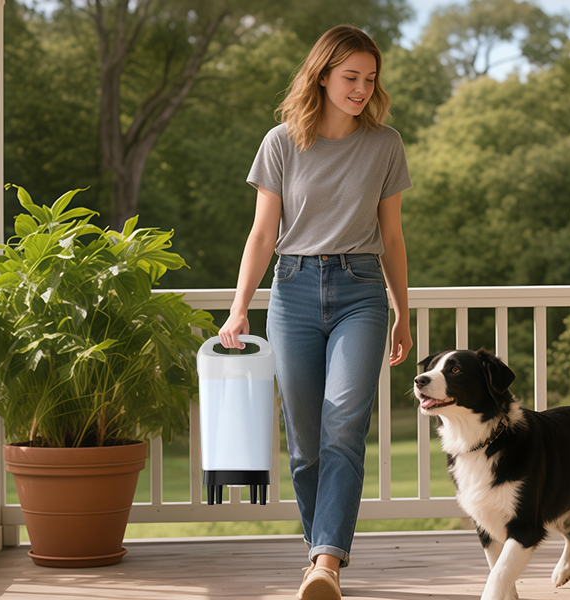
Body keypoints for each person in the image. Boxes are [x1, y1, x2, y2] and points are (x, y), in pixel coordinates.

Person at [217, 24, 413, 600]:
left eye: (369, 79)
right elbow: (261, 234)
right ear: (322, 75)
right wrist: (238, 310)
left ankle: (326, 561)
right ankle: (318, 556)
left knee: (343, 425)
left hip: (360, 292)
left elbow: (394, 238)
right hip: (293, 290)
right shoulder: (281, 142)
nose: (360, 88)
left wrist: (403, 312)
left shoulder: (385, 144)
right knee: (304, 442)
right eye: (350, 77)